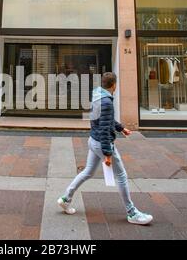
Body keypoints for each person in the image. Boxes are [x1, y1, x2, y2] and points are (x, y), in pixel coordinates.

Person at [57, 72, 153, 225]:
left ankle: (65, 198)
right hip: (101, 143)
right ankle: (132, 212)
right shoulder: (107, 102)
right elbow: (104, 127)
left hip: (93, 140)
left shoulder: (97, 96)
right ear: (113, 84)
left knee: (88, 172)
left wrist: (121, 128)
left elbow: (105, 119)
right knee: (121, 175)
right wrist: (107, 153)